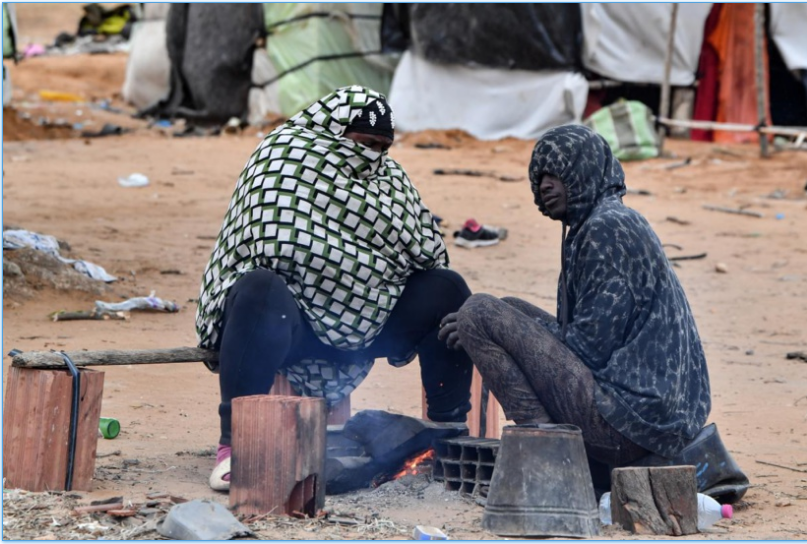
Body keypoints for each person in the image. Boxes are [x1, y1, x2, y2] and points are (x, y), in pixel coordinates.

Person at [196, 86, 473, 491]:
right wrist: (364, 261)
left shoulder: (389, 178)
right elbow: (274, 245)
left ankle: (449, 431)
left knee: (447, 289)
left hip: (367, 321)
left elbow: (429, 252)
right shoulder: (283, 158)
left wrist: (358, 271)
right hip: (289, 326)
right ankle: (233, 446)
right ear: (333, 132)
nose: (372, 156)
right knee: (258, 289)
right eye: (364, 144)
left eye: (382, 147)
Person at [440, 124, 712, 475]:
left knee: (479, 311)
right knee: (506, 307)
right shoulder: (601, 223)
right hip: (654, 421)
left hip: (634, 424)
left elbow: (587, 349)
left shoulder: (606, 228)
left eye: (557, 174)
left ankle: (549, 458)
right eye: (539, 178)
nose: (545, 186)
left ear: (585, 171)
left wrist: (479, 328)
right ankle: (553, 445)